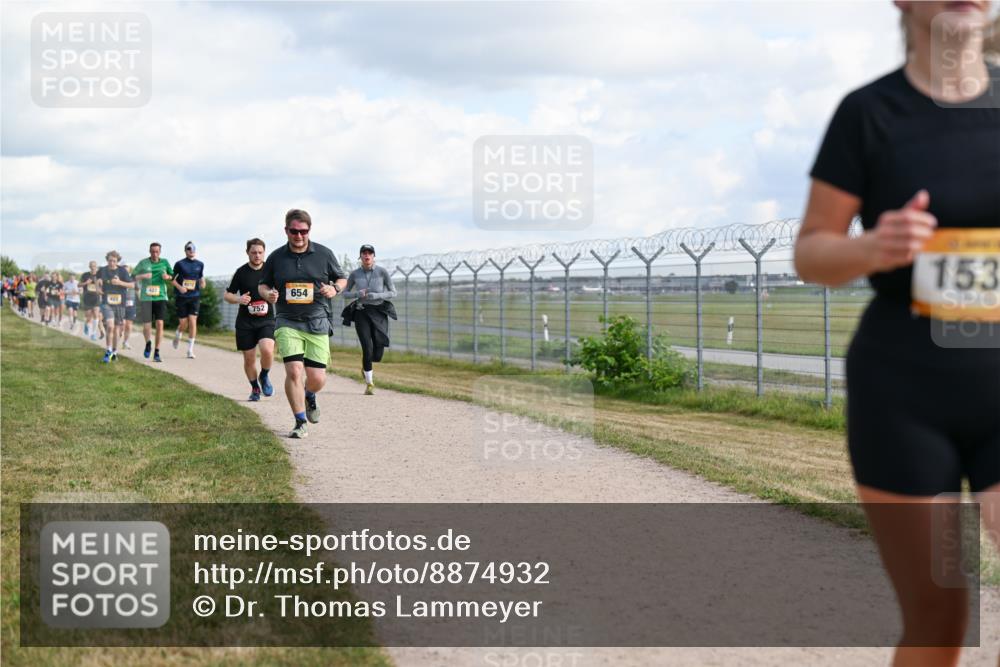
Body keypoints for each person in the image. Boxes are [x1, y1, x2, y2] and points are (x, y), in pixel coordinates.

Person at [794, 2, 999, 664]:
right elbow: (811, 251)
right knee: (938, 613)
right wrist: (874, 247)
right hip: (906, 391)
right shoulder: (869, 113)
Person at [259, 209, 347, 438]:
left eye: (303, 231)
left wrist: (334, 288)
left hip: (317, 319)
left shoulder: (324, 254)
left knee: (317, 378)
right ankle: (299, 421)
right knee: (294, 371)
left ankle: (309, 395)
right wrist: (268, 294)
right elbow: (263, 285)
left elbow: (342, 278)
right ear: (286, 230)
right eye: (294, 231)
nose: (299, 236)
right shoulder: (276, 257)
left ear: (309, 230)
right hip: (287, 320)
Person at [341, 244, 397, 395]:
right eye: (364, 253)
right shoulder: (354, 274)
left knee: (377, 353)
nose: (367, 256)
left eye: (369, 253)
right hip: (362, 312)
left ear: (373, 256)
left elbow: (393, 292)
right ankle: (369, 383)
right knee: (367, 347)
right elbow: (345, 293)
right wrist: (357, 294)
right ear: (360, 256)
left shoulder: (382, 272)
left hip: (379, 312)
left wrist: (377, 296)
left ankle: (366, 367)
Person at [225, 238, 276, 402]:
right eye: (253, 252)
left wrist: (275, 296)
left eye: (260, 252)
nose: (257, 255)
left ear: (264, 252)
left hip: (266, 320)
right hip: (245, 322)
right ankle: (255, 388)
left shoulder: (271, 270)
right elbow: (227, 295)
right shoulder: (241, 272)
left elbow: (280, 290)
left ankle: (265, 375)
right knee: (249, 358)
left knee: (267, 350)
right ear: (247, 252)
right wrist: (239, 299)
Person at [132, 242, 172, 362]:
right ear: (149, 252)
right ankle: (148, 343)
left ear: (160, 252)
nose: (155, 254)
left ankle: (157, 351)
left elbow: (173, 275)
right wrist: (143, 276)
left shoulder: (165, 262)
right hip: (146, 298)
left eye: (157, 251)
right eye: (152, 251)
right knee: (147, 326)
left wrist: (168, 277)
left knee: (160, 324)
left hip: (160, 297)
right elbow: (132, 276)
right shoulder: (143, 263)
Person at [96, 251, 134, 363]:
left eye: (114, 261)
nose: (112, 263)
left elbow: (132, 285)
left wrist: (119, 282)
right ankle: (108, 350)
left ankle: (114, 352)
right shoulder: (102, 270)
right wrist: (98, 289)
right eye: (110, 260)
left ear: (118, 261)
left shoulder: (122, 271)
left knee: (117, 329)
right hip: (106, 302)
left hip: (120, 303)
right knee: (110, 325)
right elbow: (97, 281)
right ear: (107, 260)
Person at [171, 241, 205, 359]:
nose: (192, 250)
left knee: (192, 321)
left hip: (195, 296)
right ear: (185, 251)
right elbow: (172, 280)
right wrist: (180, 288)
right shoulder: (179, 264)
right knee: (183, 323)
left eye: (193, 248)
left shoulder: (200, 264)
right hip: (182, 297)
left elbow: (200, 277)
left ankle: (190, 350)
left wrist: (203, 282)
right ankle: (178, 334)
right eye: (189, 249)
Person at [80, 261, 103, 340]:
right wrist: (86, 282)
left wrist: (101, 283)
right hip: (87, 298)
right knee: (88, 317)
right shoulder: (85, 275)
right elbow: (79, 285)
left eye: (94, 266)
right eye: (92, 266)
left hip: (96, 298)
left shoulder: (100, 275)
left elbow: (103, 285)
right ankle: (86, 325)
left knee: (96, 314)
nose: (93, 267)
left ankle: (93, 334)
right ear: (89, 266)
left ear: (96, 267)